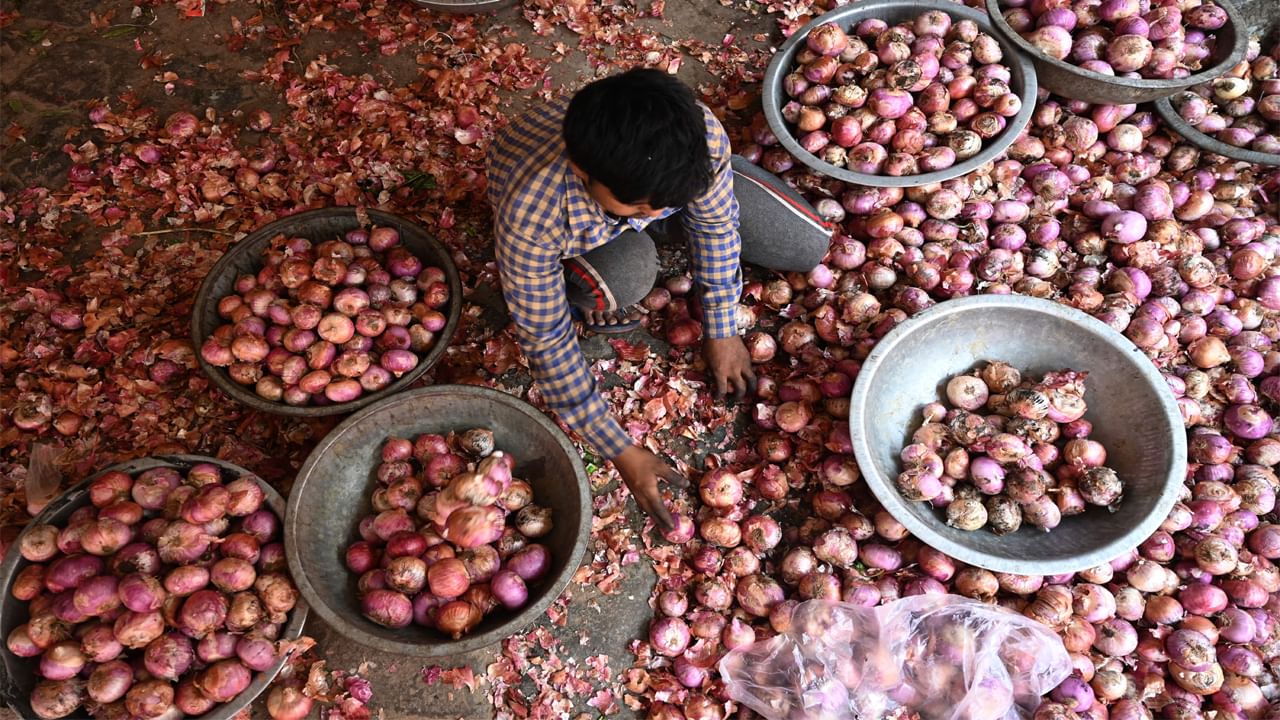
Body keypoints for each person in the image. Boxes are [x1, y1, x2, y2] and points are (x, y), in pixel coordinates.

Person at [486, 68, 831, 531]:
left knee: (806, 245)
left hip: (654, 179)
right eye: (645, 208)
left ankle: (661, 206)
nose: (658, 212)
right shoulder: (532, 214)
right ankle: (621, 248)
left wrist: (722, 326)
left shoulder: (699, 133)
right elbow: (544, 337)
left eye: (665, 206)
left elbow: (714, 224)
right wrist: (620, 449)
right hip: (575, 226)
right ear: (583, 172)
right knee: (628, 276)